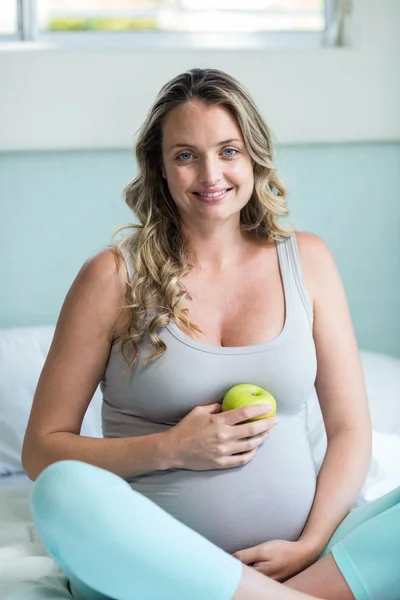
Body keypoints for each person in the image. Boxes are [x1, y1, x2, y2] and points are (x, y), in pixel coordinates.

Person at [22, 68, 399, 600]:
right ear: (160, 167)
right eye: (185, 155)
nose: (209, 173)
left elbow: (350, 430)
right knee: (61, 492)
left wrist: (312, 544)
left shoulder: (308, 260)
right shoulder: (111, 277)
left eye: (228, 150)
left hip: (299, 565)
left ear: (253, 157)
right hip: (147, 570)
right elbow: (41, 450)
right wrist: (171, 448)